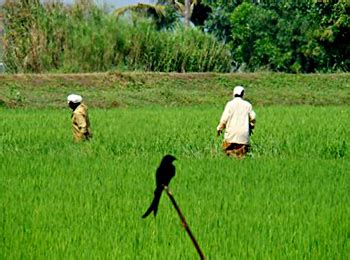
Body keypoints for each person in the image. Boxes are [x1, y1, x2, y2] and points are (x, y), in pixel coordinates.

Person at [217, 86, 256, 158]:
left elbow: (224, 119)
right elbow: (253, 117)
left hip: (231, 134)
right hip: (243, 135)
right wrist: (251, 125)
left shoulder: (230, 104)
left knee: (228, 155)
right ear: (243, 94)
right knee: (241, 156)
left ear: (233, 94)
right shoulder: (247, 105)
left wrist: (219, 128)